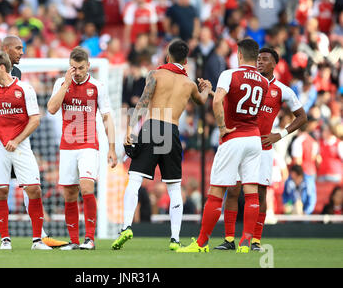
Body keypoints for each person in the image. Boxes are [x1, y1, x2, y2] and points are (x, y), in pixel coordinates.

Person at [111, 39, 213, 251]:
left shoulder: (155, 75)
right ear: (186, 60)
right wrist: (208, 88)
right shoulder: (189, 84)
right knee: (174, 187)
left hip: (152, 126)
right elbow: (202, 101)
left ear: (167, 56)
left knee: (135, 179)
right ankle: (175, 239)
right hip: (172, 130)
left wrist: (130, 129)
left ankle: (127, 227)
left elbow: (142, 103)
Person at [0, 35, 67, 249]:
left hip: (17, 141)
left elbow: (31, 115)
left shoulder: (20, 78)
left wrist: (15, 129)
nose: (22, 52)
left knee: (28, 185)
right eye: (17, 48)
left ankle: (39, 235)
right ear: (5, 50)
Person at [177, 38, 270, 253]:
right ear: (256, 58)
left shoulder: (229, 74)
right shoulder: (264, 82)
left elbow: (220, 102)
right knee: (251, 191)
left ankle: (201, 244)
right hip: (254, 139)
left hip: (233, 137)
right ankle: (246, 243)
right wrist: (211, 90)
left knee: (217, 190)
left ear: (238, 55)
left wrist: (221, 127)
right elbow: (242, 102)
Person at [214, 47, 307, 252]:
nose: (260, 62)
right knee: (233, 190)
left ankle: (254, 240)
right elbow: (226, 100)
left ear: (275, 64)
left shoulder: (282, 90)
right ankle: (229, 239)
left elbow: (302, 117)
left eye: (265, 59)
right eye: (258, 59)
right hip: (241, 142)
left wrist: (279, 134)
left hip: (263, 147)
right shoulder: (247, 81)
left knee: (260, 194)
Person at [47, 46, 118, 250]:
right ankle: (74, 241)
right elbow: (51, 109)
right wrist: (66, 84)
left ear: (88, 66)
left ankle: (90, 239)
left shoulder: (97, 86)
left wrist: (111, 148)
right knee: (69, 194)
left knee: (87, 187)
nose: (76, 72)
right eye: (72, 68)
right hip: (67, 146)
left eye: (79, 68)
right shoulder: (61, 83)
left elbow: (107, 117)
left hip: (88, 145)